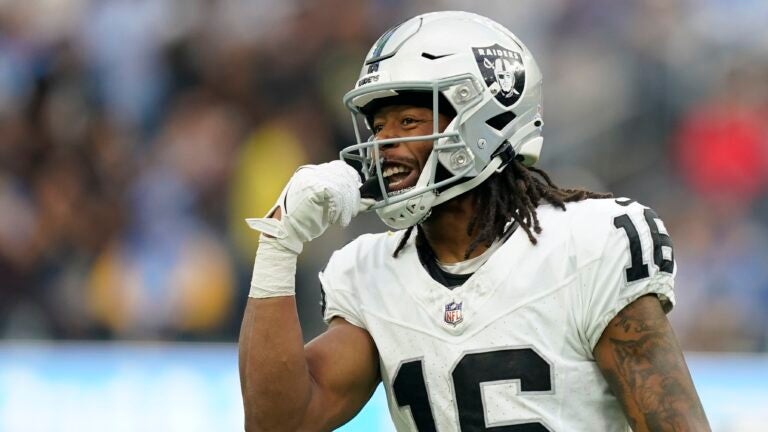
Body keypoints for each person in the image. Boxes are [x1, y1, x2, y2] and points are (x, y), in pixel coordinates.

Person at [239, 11, 711, 432]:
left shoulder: (586, 245)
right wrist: (280, 244)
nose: (384, 146)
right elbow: (278, 424)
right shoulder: (369, 271)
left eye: (407, 122)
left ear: (486, 118)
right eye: (379, 127)